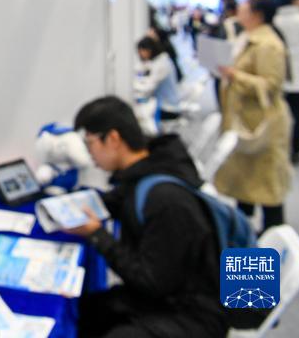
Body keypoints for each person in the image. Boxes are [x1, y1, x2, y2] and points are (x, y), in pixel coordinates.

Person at [67, 96, 228, 338]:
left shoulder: (165, 199)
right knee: (84, 311)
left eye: (90, 144)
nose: (89, 154)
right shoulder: (150, 168)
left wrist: (98, 235)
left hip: (195, 313)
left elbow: (150, 282)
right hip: (170, 293)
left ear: (113, 139)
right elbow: (115, 201)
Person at [214, 0, 292, 231]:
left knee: (268, 186)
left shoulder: (268, 44)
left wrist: (234, 76)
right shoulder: (246, 38)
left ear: (257, 15)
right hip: (245, 120)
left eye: (244, 8)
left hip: (263, 125)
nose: (239, 10)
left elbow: (271, 85)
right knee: (244, 183)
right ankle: (245, 235)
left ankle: (273, 238)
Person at [274, 0, 299, 164]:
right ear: (296, 1)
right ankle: (295, 150)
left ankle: (280, 149)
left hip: (278, 79)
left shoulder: (273, 21)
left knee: (279, 116)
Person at [135, 36, 181, 113]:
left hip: (168, 108)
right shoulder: (160, 60)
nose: (140, 54)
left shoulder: (161, 64)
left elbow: (149, 88)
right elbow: (142, 67)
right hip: (166, 105)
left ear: (148, 50)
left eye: (141, 51)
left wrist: (132, 86)